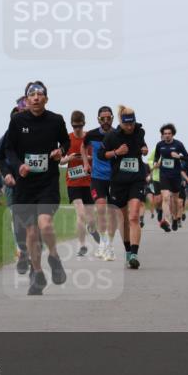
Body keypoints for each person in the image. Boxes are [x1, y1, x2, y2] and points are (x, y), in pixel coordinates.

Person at [5, 81, 70, 295]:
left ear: (46, 98)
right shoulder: (17, 121)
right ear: (26, 100)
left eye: (39, 94)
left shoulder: (56, 120)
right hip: (25, 185)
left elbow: (65, 143)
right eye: (31, 95)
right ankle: (38, 274)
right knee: (31, 232)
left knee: (45, 223)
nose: (35, 98)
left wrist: (60, 151)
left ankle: (54, 256)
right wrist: (18, 166)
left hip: (47, 182)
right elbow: (9, 150)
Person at [102, 106, 148, 269]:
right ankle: (128, 251)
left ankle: (134, 254)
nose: (130, 127)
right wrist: (116, 152)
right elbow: (102, 155)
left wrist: (144, 149)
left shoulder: (139, 131)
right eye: (127, 124)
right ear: (121, 122)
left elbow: (143, 145)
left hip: (136, 179)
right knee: (123, 218)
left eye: (132, 123)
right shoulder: (111, 136)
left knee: (134, 216)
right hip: (118, 182)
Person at [0, 99, 30, 274]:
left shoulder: (34, 133)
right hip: (12, 184)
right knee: (17, 218)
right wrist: (7, 174)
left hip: (32, 184)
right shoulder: (6, 137)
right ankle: (22, 251)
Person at [62, 110, 100, 257]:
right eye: (74, 126)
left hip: (89, 182)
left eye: (79, 126)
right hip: (73, 182)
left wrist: (88, 158)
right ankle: (82, 245)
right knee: (81, 214)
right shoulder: (68, 139)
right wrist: (69, 158)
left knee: (90, 218)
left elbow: (97, 157)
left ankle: (92, 229)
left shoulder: (89, 139)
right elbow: (60, 161)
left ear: (83, 124)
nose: (77, 129)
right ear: (71, 125)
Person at [82, 106, 117, 261]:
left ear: (112, 118)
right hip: (98, 177)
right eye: (102, 118)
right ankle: (102, 243)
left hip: (115, 178)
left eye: (108, 118)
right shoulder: (92, 134)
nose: (106, 121)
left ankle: (109, 243)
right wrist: (85, 163)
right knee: (101, 208)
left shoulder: (117, 134)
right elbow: (83, 147)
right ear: (98, 119)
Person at [153, 124, 188, 232]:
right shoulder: (159, 145)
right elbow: (157, 155)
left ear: (173, 134)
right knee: (165, 197)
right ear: (162, 135)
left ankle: (175, 219)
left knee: (174, 200)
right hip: (164, 174)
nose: (167, 136)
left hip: (175, 176)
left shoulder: (178, 144)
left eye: (169, 134)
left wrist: (179, 156)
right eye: (165, 134)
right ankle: (166, 220)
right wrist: (156, 162)